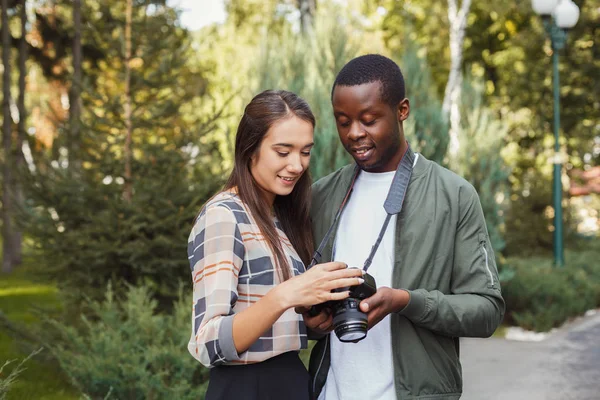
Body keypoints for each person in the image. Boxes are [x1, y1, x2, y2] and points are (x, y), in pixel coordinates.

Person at [302, 54, 505, 400]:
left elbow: (486, 310)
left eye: (369, 120)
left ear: (402, 110)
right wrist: (310, 324)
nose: (354, 134)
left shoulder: (453, 195)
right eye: (343, 121)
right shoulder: (320, 195)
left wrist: (407, 301)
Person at [187, 89, 364, 400]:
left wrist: (310, 324)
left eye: (305, 151)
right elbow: (208, 341)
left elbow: (265, 323)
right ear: (250, 149)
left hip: (289, 381)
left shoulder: (278, 219)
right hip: (245, 388)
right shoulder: (223, 216)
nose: (297, 165)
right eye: (283, 152)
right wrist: (285, 295)